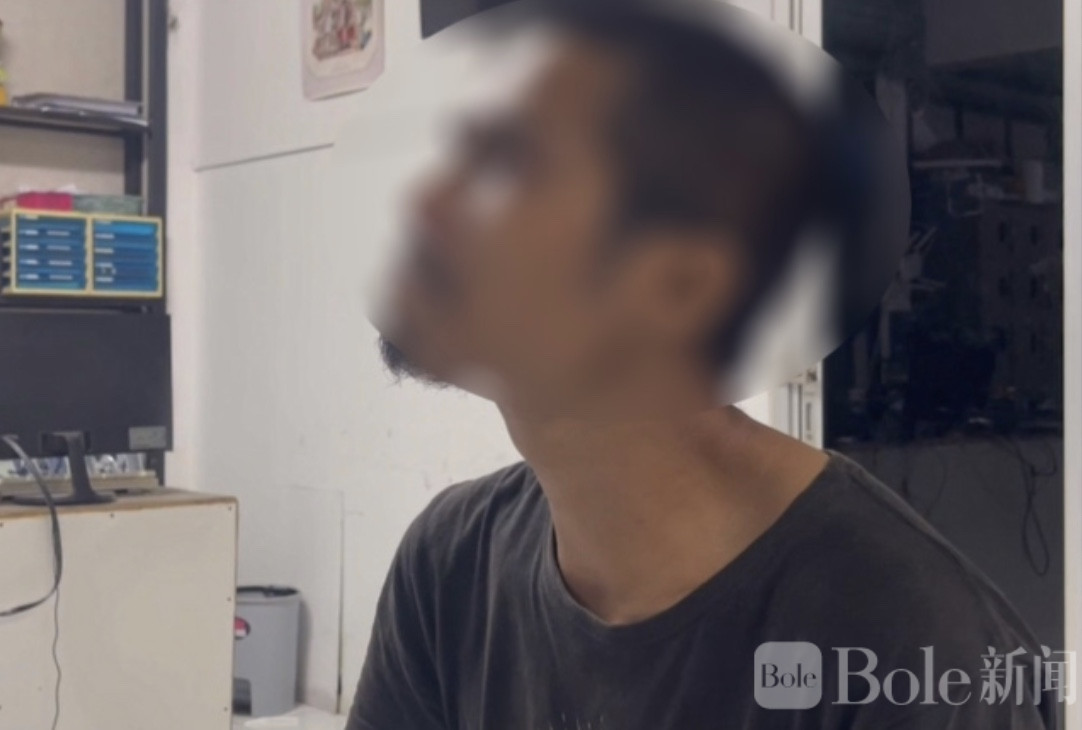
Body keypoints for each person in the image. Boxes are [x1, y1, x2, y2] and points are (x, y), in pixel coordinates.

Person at [349, 1, 1057, 727]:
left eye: (504, 161)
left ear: (681, 283)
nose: (422, 203)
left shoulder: (914, 649)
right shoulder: (449, 568)